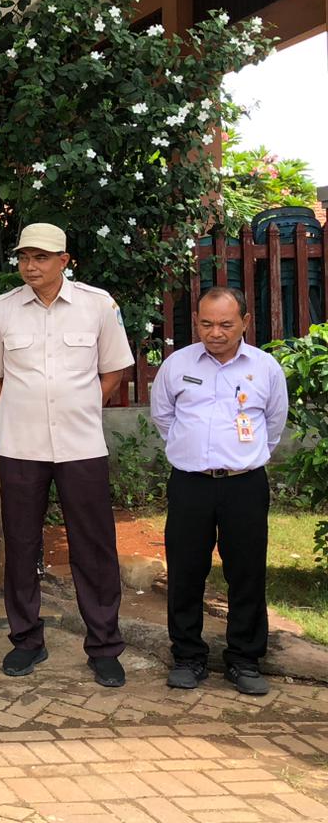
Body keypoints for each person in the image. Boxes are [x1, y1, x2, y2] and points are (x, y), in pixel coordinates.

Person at [0, 223, 134, 688]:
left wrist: (78, 405)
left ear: (64, 260)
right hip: (21, 445)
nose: (30, 266)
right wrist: (26, 410)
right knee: (21, 545)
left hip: (81, 445)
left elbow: (113, 371)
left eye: (41, 258)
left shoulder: (98, 305)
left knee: (94, 545)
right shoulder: (0, 311)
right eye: (24, 257)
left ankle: (104, 646)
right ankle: (26, 641)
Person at [150, 286, 288, 696]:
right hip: (190, 484)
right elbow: (163, 416)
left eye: (226, 324)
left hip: (244, 485)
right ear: (197, 322)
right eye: (207, 323)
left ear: (245, 322)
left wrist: (246, 454)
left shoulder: (264, 368)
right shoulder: (177, 365)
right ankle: (188, 656)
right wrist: (189, 449)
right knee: (186, 571)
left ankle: (244, 659)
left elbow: (274, 423)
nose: (216, 332)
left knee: (246, 572)